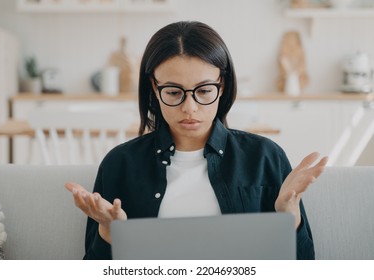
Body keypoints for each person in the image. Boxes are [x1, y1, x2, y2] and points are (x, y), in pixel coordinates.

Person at [65, 21, 328, 260]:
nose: (189, 107)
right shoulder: (120, 164)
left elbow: (304, 266)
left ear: (222, 86)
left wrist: (288, 216)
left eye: (203, 91)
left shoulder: (264, 157)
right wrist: (111, 233)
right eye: (173, 91)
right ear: (154, 89)